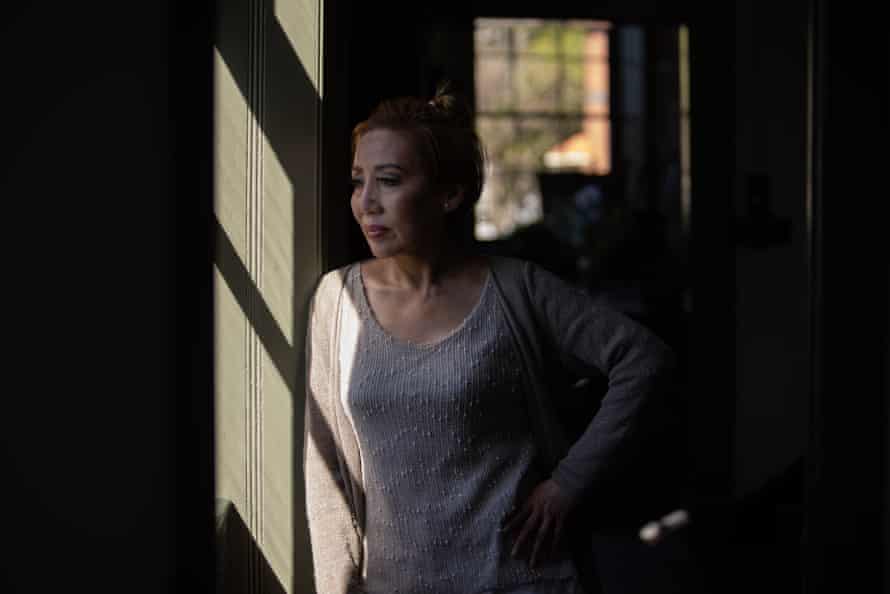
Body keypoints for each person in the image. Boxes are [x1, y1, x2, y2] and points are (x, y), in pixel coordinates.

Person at [303, 86, 675, 594]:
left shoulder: (518, 289)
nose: (366, 202)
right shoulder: (337, 300)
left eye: (388, 181)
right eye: (357, 181)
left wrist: (568, 484)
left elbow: (644, 360)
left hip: (521, 579)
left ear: (448, 194)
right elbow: (326, 480)